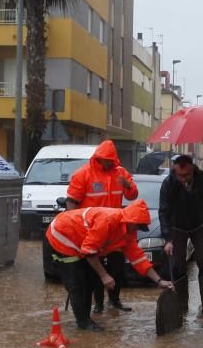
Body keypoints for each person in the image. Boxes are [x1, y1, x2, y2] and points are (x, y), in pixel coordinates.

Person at [46, 204, 174, 331]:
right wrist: (104, 275)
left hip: (81, 242)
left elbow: (138, 258)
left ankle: (85, 319)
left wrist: (159, 280)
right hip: (61, 234)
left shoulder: (128, 233)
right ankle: (83, 323)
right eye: (138, 226)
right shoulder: (107, 221)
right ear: (130, 220)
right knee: (76, 284)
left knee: (89, 281)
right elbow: (89, 251)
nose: (138, 230)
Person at [66, 139, 139, 313]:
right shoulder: (83, 174)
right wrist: (74, 227)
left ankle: (114, 301)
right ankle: (98, 304)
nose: (109, 163)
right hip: (92, 230)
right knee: (96, 271)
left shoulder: (120, 173)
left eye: (112, 161)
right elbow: (71, 202)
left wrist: (127, 185)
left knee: (117, 267)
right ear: (98, 158)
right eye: (106, 160)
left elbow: (132, 195)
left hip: (114, 230)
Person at [159, 153, 203, 318]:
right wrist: (167, 239)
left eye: (187, 175)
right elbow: (163, 212)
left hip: (199, 225)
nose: (183, 178)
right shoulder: (168, 184)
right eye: (179, 175)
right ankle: (182, 305)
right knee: (178, 266)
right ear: (175, 170)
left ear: (192, 169)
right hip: (177, 228)